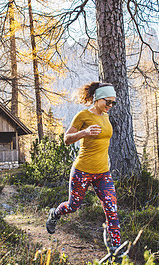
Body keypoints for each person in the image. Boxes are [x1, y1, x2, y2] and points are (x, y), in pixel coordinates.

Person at [46, 81, 121, 251]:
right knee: (73, 206)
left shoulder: (105, 116)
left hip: (103, 173)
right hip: (82, 171)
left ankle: (116, 248)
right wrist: (84, 133)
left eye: (113, 103)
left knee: (112, 208)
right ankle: (55, 213)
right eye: (107, 102)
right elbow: (66, 139)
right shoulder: (83, 116)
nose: (110, 106)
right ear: (98, 99)